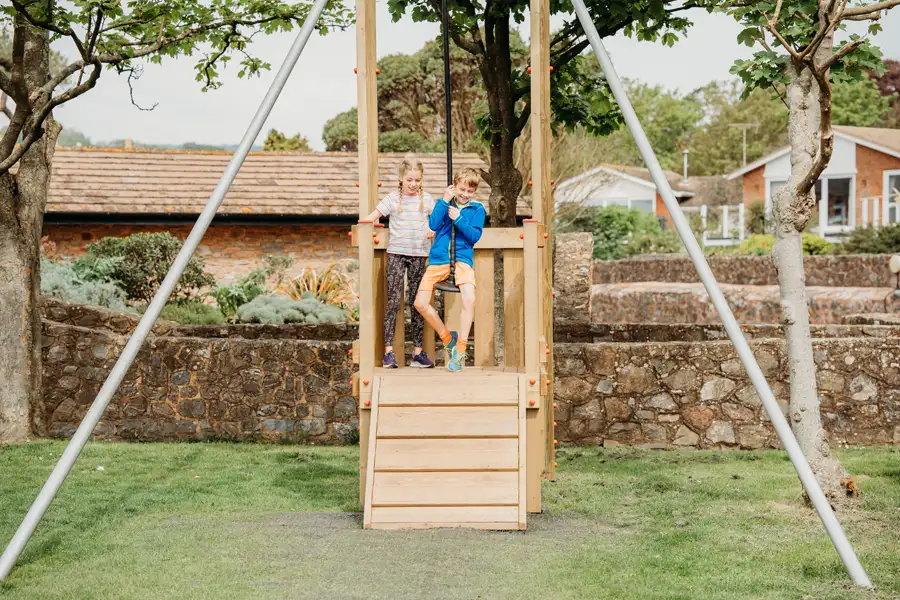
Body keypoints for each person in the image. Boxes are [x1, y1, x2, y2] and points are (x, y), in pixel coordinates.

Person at [364, 157, 435, 368]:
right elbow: (374, 215)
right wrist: (361, 224)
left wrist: (434, 229)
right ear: (401, 178)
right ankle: (388, 353)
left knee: (417, 303)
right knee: (393, 302)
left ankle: (418, 353)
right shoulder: (394, 198)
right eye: (409, 179)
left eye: (417, 180)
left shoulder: (427, 200)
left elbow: (440, 220)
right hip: (396, 254)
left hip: (419, 255)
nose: (413, 184)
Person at [413, 167, 486, 372]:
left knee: (469, 298)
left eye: (469, 191)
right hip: (439, 259)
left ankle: (461, 349)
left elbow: (474, 237)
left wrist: (459, 219)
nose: (465, 194)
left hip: (462, 259)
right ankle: (447, 338)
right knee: (420, 303)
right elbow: (434, 224)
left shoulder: (477, 209)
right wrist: (445, 200)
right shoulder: (445, 203)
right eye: (461, 189)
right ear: (455, 186)